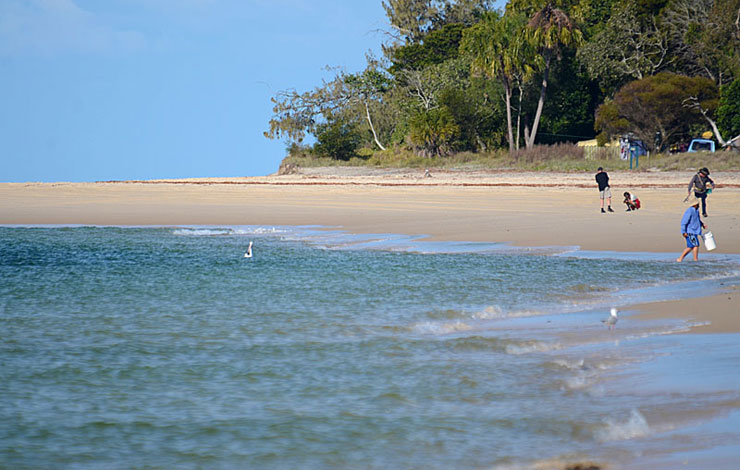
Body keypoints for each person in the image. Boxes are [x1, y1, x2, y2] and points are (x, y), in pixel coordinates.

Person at [676, 196, 706, 262]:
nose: (699, 205)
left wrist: (702, 224)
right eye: (698, 204)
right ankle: (694, 260)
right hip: (690, 232)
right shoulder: (689, 211)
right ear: (695, 204)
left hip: (695, 231)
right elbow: (684, 222)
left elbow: (697, 219)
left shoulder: (696, 211)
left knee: (692, 246)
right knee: (694, 245)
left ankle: (681, 259)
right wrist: (683, 232)